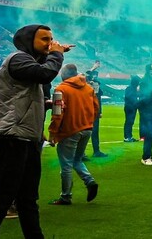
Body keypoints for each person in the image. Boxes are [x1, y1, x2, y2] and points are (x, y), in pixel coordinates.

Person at [0, 24, 69, 239]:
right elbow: (45, 74)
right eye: (44, 39)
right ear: (28, 40)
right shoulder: (18, 58)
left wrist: (44, 104)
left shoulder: (29, 62)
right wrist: (57, 54)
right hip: (10, 137)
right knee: (1, 198)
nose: (50, 43)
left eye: (51, 39)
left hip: (27, 138)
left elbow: (20, 96)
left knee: (28, 198)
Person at [47, 64, 99, 205]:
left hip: (70, 131)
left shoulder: (60, 89)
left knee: (66, 165)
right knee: (77, 160)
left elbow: (57, 113)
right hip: (87, 129)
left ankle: (66, 196)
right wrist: (88, 122)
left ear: (64, 74)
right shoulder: (88, 88)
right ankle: (89, 181)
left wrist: (52, 132)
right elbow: (96, 108)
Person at [84, 62, 108, 158]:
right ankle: (82, 153)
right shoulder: (86, 85)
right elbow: (85, 76)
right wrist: (93, 68)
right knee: (84, 132)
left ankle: (96, 151)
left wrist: (100, 111)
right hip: (87, 111)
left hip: (94, 112)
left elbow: (99, 100)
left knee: (94, 132)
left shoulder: (97, 88)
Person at [123, 75, 140, 142]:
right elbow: (129, 97)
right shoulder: (130, 88)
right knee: (129, 122)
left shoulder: (131, 88)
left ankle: (129, 136)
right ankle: (127, 137)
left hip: (131, 107)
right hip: (130, 107)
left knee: (130, 122)